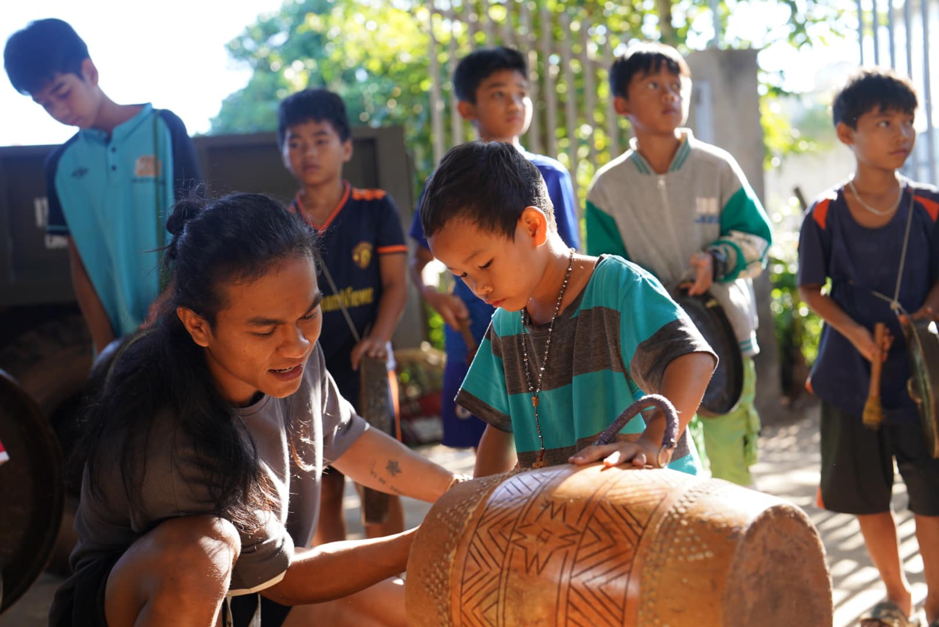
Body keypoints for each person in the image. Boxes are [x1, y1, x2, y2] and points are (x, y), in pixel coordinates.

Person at [48, 193, 460, 627]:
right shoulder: (166, 431)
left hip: (253, 599)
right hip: (131, 610)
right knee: (203, 549)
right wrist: (434, 537)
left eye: (309, 314)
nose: (297, 343)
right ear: (198, 326)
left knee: (429, 610)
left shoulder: (293, 353)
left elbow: (351, 441)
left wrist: (465, 494)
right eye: (264, 329)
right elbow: (287, 579)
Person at [420, 141, 716, 477]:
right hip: (568, 520)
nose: (478, 287)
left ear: (533, 227)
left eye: (484, 264)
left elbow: (693, 359)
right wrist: (480, 508)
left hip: (654, 508)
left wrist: (652, 443)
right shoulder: (504, 324)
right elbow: (500, 430)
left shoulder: (617, 286)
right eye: (462, 276)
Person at [585, 42, 772, 487]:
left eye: (677, 84)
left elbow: (759, 241)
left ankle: (737, 551)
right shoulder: (607, 189)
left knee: (731, 469)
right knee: (669, 465)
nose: (670, 94)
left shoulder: (718, 167)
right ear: (621, 104)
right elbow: (606, 273)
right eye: (653, 85)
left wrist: (718, 258)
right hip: (652, 349)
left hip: (725, 337)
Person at [798, 67, 939, 627]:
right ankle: (896, 595)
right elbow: (812, 290)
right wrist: (857, 334)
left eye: (907, 121)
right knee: (866, 493)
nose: (901, 133)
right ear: (846, 133)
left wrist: (924, 316)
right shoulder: (826, 214)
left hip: (923, 374)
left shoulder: (930, 208)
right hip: (851, 379)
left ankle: (936, 599)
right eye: (885, 121)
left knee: (931, 492)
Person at [408, 46, 581, 451]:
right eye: (499, 93)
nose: (515, 103)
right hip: (473, 328)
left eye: (522, 92)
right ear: (467, 108)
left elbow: (569, 259)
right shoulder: (444, 182)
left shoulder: (551, 175)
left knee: (549, 434)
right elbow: (423, 262)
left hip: (541, 326)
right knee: (486, 434)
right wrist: (434, 294)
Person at [3, 19, 202, 354]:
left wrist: (172, 300)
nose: (59, 111)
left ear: (90, 72)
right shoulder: (60, 166)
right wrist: (107, 349)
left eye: (62, 93)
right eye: (45, 104)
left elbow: (199, 230)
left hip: (185, 326)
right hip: (120, 346)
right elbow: (79, 266)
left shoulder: (164, 129)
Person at [278, 88, 408, 544]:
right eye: (295, 142)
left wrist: (380, 338)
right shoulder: (281, 224)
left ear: (346, 147)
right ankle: (336, 595)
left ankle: (395, 587)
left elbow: (396, 283)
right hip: (306, 376)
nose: (308, 152)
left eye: (320, 139)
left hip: (366, 369)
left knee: (381, 482)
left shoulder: (375, 207)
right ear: (283, 153)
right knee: (320, 488)